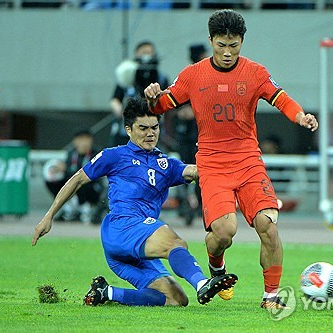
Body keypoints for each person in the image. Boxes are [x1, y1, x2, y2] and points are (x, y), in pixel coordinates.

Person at [144, 9, 318, 309]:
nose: (227, 52)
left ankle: (270, 297)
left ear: (242, 42)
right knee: (224, 233)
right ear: (210, 40)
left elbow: (281, 98)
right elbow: (162, 105)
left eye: (233, 45)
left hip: (248, 160)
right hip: (211, 163)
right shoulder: (193, 74)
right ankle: (216, 265)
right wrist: (152, 97)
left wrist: (300, 116)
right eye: (221, 45)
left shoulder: (255, 73)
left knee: (268, 225)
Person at [32, 97, 237, 307]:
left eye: (155, 127)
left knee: (175, 299)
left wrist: (228, 169)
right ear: (129, 129)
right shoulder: (114, 156)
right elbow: (77, 180)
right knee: (175, 242)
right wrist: (49, 216)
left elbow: (195, 171)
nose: (150, 133)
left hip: (137, 246)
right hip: (122, 229)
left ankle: (106, 293)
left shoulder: (165, 164)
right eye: (143, 128)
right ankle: (202, 283)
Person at [109, 41, 169, 148]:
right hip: (130, 122)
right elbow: (115, 98)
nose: (147, 55)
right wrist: (119, 110)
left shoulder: (161, 77)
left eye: (149, 52)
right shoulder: (127, 75)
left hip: (152, 120)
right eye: (143, 52)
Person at [174, 44, 209, 226]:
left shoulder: (197, 75)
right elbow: (177, 102)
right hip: (189, 135)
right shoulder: (192, 76)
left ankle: (199, 207)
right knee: (189, 172)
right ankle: (190, 206)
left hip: (197, 134)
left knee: (199, 173)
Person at [43, 130, 104, 223]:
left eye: (85, 140)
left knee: (80, 181)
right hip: (77, 187)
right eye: (80, 140)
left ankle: (86, 209)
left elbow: (91, 174)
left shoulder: (97, 153)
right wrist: (60, 169)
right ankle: (67, 207)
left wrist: (65, 169)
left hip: (93, 187)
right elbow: (68, 173)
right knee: (53, 181)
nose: (83, 143)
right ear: (75, 141)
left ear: (91, 140)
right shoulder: (71, 153)